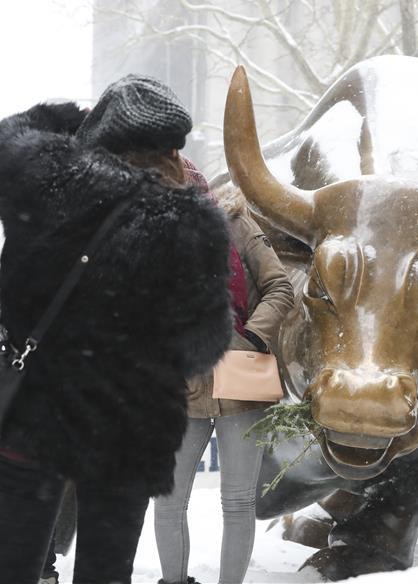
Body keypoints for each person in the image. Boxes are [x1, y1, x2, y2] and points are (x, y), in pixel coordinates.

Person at [0, 74, 234, 584]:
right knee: (106, 573)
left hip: (32, 415)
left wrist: (75, 119)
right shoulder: (190, 221)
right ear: (172, 150)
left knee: (9, 569)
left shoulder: (41, 174)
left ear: (100, 130)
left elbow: (5, 134)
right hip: (127, 432)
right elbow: (202, 346)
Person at [154, 181, 294, 584]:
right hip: (182, 380)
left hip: (243, 373)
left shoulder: (236, 223)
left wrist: (250, 337)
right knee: (168, 499)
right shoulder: (153, 236)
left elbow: (280, 286)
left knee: (237, 501)